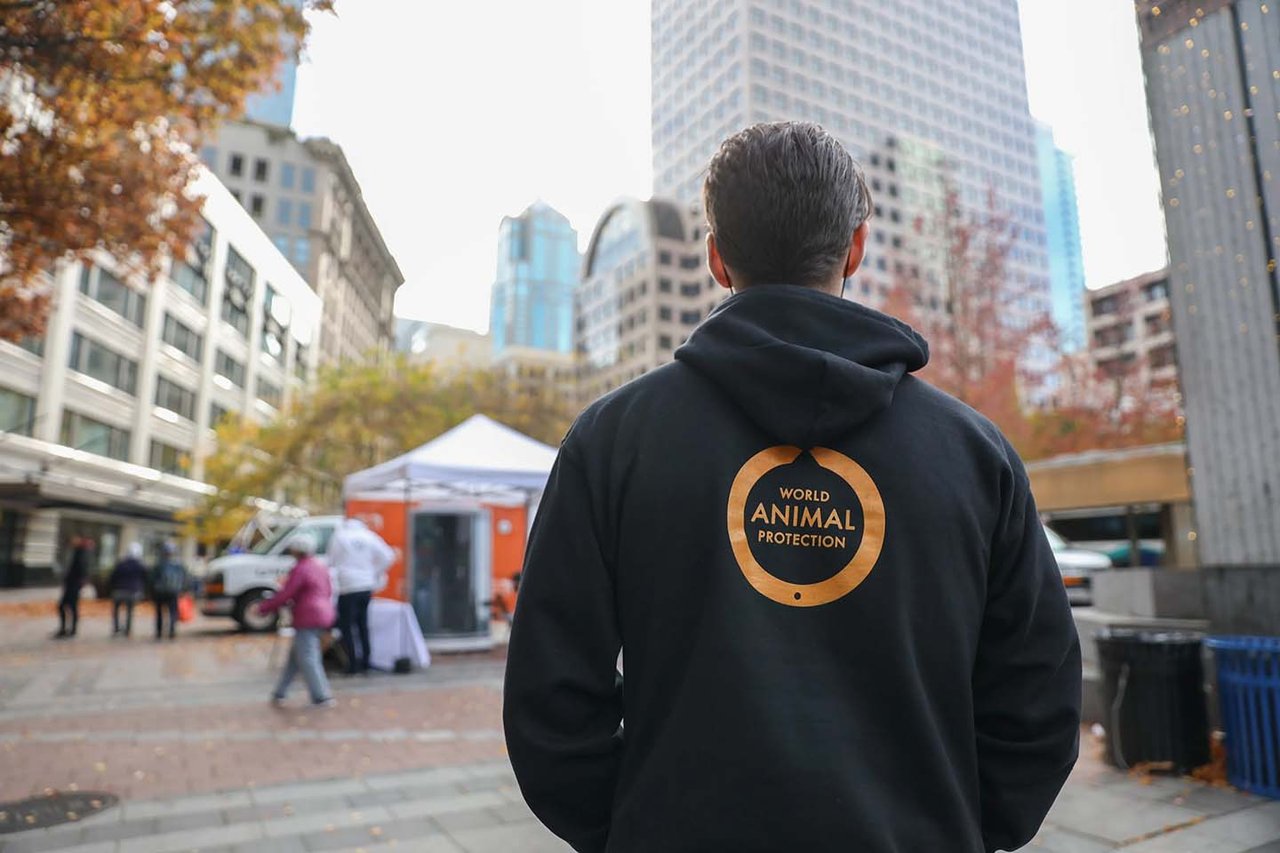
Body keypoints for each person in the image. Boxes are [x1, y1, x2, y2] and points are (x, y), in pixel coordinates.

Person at [503, 123, 1081, 853]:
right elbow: (1039, 688)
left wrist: (634, 826)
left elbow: (548, 696)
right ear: (856, 248)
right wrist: (962, 823)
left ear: (716, 258)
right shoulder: (974, 454)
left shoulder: (613, 441)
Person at [259, 533, 336, 708]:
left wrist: (264, 607)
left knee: (308, 656)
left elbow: (287, 593)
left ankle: (321, 696)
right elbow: (328, 589)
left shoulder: (300, 568)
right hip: (324, 612)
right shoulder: (319, 566)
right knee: (295, 657)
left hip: (308, 615)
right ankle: (280, 692)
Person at [329, 518, 395, 675]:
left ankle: (352, 663)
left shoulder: (340, 536)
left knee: (347, 626)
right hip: (366, 585)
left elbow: (331, 561)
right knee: (362, 624)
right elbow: (388, 556)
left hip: (347, 586)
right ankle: (366, 660)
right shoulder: (369, 535)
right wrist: (374, 573)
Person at [54, 537, 91, 639]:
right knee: (67, 606)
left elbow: (81, 570)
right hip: (72, 584)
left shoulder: (81, 554)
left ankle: (69, 630)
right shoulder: (77, 553)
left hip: (74, 585)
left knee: (68, 606)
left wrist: (79, 583)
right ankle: (68, 629)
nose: (72, 541)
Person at [109, 543, 148, 637]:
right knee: (129, 611)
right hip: (132, 591)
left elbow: (113, 576)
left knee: (116, 610)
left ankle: (116, 628)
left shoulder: (121, 564)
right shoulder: (140, 565)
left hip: (119, 590)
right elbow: (145, 578)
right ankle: (127, 629)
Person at [151, 542, 188, 641]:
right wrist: (183, 590)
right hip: (173, 592)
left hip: (160, 592)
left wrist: (152, 591)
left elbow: (152, 579)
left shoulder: (159, 564)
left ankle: (159, 632)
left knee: (159, 613)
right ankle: (172, 630)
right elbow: (185, 578)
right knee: (173, 612)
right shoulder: (178, 565)